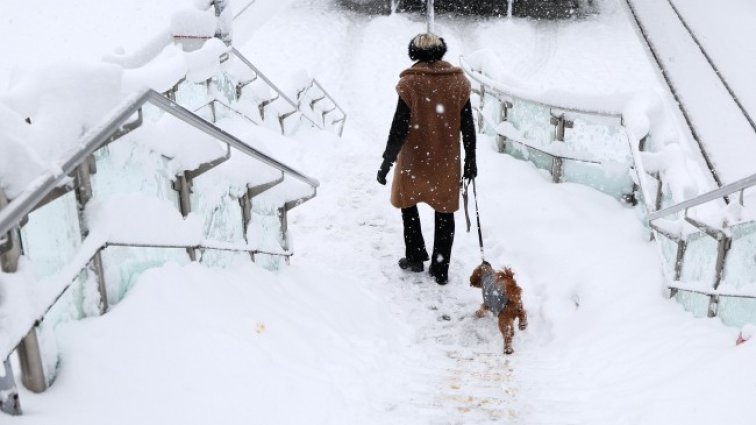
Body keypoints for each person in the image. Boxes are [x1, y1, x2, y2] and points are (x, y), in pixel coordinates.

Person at [376, 33, 477, 285]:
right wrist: (470, 160)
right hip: (445, 159)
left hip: (413, 158)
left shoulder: (410, 84)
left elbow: (398, 126)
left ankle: (415, 256)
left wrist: (387, 161)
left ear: (415, 53)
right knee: (444, 211)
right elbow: (468, 126)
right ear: (441, 51)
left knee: (408, 203)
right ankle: (440, 268)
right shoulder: (458, 82)